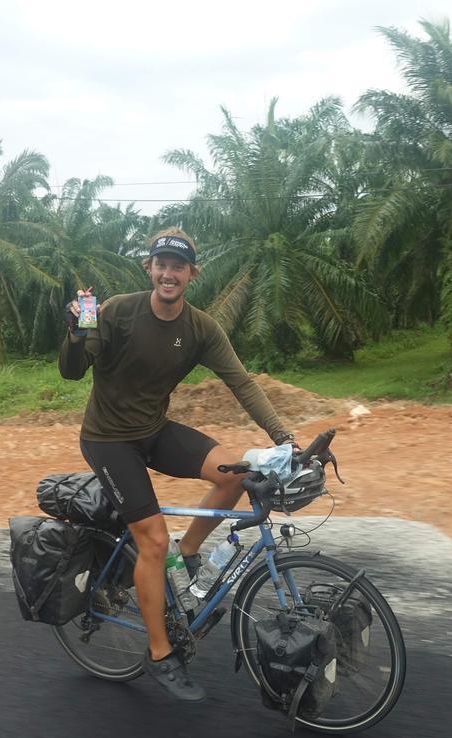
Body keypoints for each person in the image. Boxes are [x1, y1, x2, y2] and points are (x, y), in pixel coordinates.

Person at [59, 227, 296, 702]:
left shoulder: (200, 328)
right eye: (161, 264)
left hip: (153, 431)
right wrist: (76, 330)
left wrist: (283, 436)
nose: (169, 273)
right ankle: (161, 654)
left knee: (237, 475)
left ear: (192, 273)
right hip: (108, 440)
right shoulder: (117, 311)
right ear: (149, 268)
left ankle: (186, 554)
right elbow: (72, 369)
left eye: (178, 266)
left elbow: (242, 383)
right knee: (151, 538)